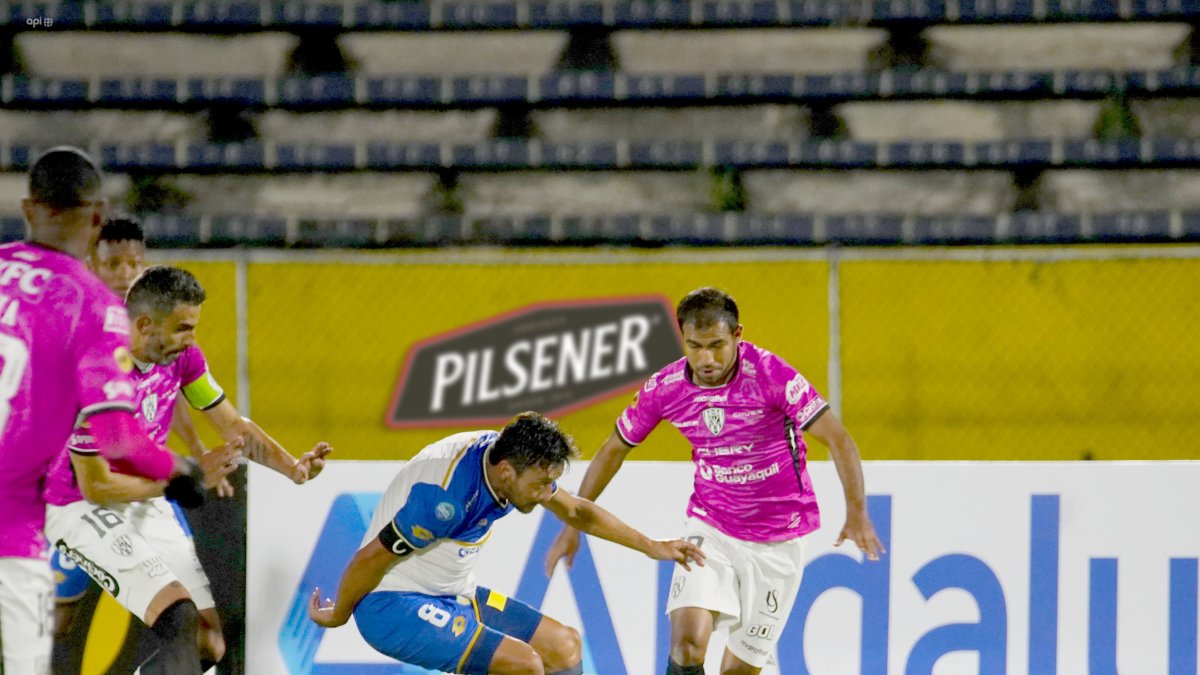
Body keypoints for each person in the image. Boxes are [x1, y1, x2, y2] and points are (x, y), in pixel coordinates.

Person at [544, 287, 886, 675]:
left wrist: (857, 513)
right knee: (687, 642)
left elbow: (837, 438)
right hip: (712, 528)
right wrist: (573, 525)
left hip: (777, 542)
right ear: (682, 340)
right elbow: (613, 449)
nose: (706, 358)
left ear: (738, 335)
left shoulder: (772, 375)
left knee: (737, 671)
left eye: (717, 345)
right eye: (694, 346)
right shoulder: (666, 387)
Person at [43, 265, 333, 675]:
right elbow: (97, 486)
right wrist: (189, 475)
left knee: (207, 640)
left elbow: (232, 424)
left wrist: (293, 468)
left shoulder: (184, 359)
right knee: (176, 616)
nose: (191, 339)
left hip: (147, 495)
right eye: (183, 328)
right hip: (82, 505)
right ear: (145, 325)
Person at [0, 146, 205, 674]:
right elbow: (118, 440)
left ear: (28, 210)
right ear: (96, 218)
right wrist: (177, 469)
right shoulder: (95, 309)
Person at [308, 411, 705, 675]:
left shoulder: (510, 460)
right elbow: (372, 557)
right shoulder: (444, 498)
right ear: (504, 473)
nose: (546, 493)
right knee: (524, 665)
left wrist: (653, 546)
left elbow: (577, 511)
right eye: (539, 485)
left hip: (450, 594)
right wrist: (340, 613)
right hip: (391, 605)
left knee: (565, 647)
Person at [51, 217, 235, 674]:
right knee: (60, 616)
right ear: (93, 265)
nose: (125, 272)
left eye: (135, 261)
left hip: (135, 484)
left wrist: (192, 453)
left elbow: (165, 399)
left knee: (197, 633)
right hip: (73, 489)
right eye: (114, 263)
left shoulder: (157, 332)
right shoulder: (82, 334)